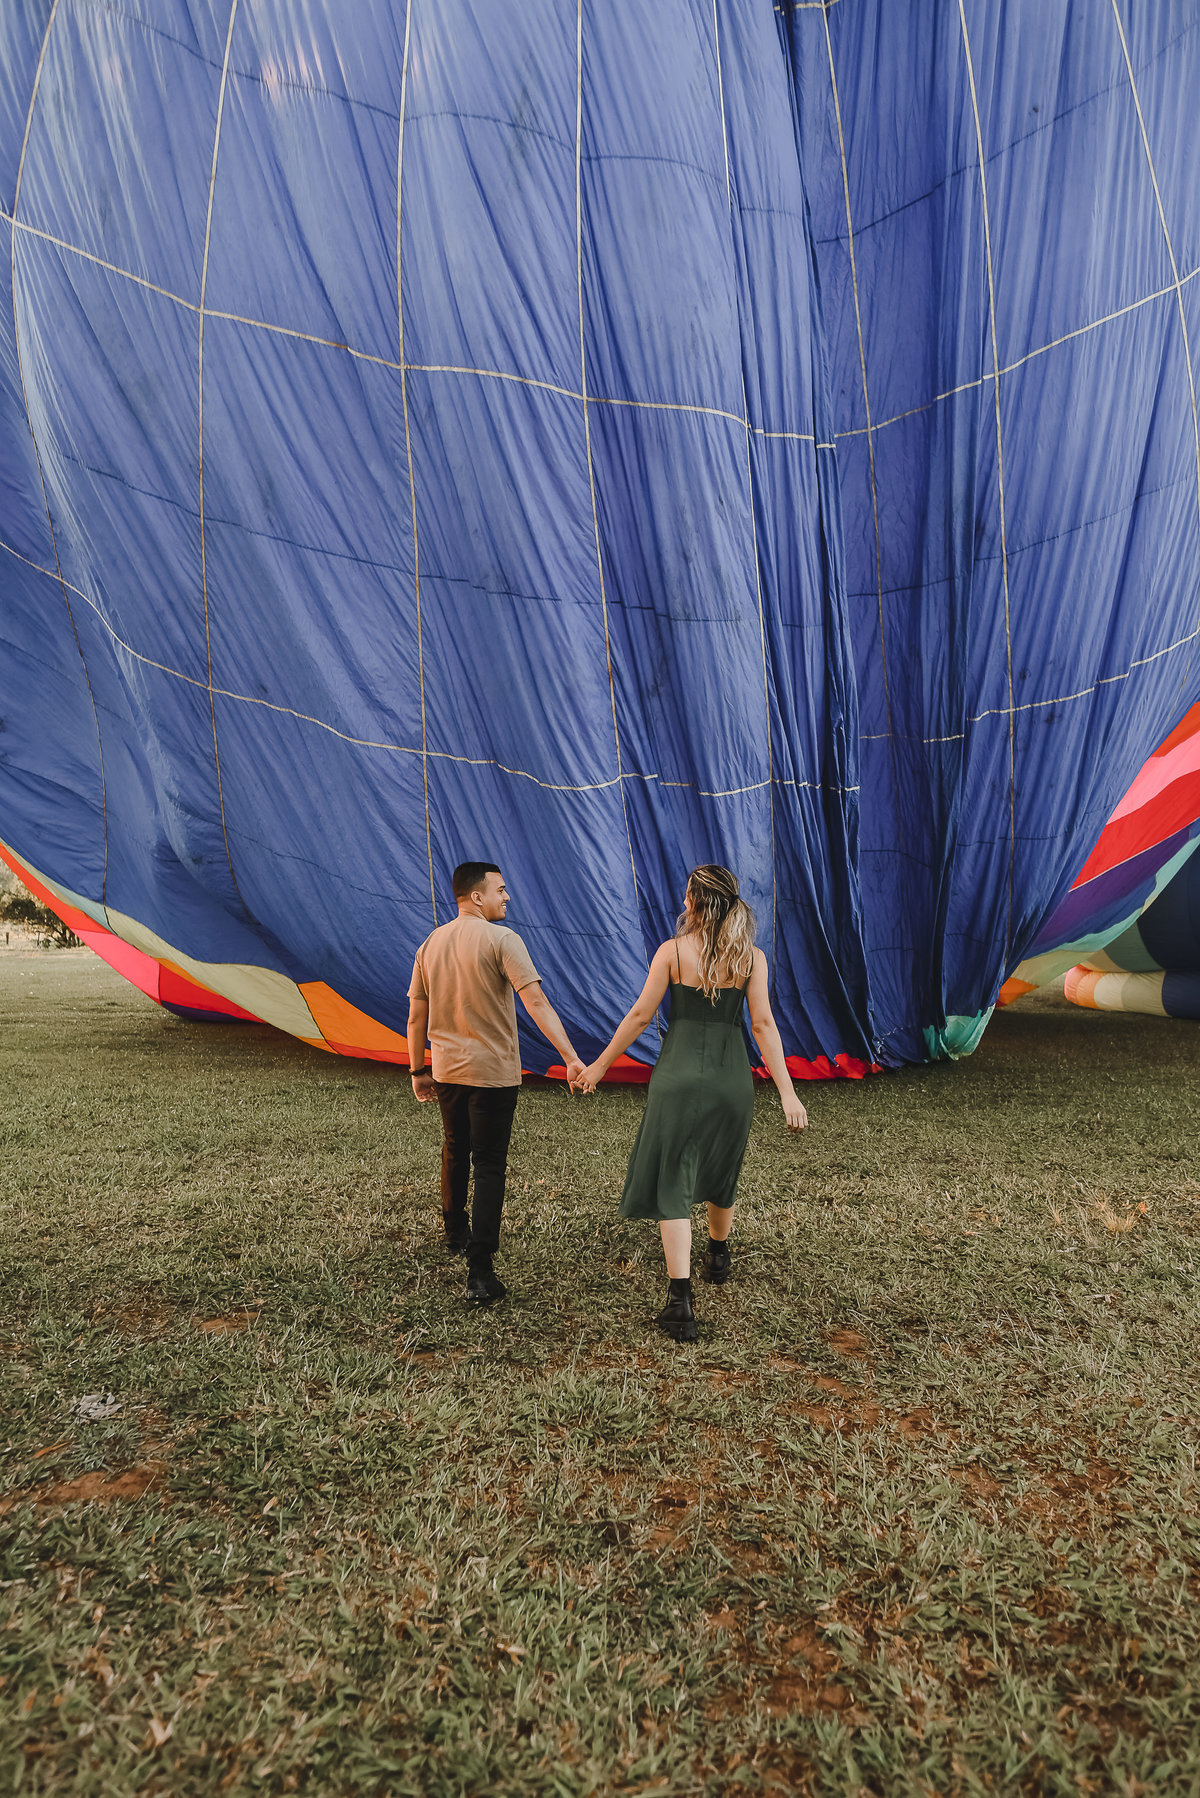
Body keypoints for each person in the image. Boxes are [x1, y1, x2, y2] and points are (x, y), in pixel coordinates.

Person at [578, 865, 807, 1341]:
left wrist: (598, 1067)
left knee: (674, 1180)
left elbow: (641, 1015)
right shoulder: (751, 958)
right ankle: (718, 1257)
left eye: (688, 898)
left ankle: (680, 1301)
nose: (683, 905)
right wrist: (787, 1091)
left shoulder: (672, 952)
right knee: (722, 1168)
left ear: (698, 904)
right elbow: (764, 1027)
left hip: (677, 1079)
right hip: (731, 1081)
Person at [407, 861, 586, 1306]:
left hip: (447, 1071)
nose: (507, 897)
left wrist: (418, 1070)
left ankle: (455, 1233)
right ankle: (481, 1273)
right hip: (492, 1074)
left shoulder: (430, 944)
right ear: (476, 896)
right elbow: (536, 1002)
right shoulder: (503, 939)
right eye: (501, 890)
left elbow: (416, 1016)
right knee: (489, 1165)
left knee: (454, 1147)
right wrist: (570, 1057)